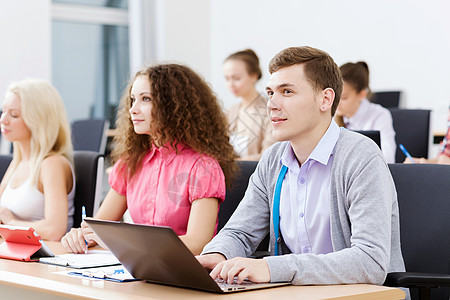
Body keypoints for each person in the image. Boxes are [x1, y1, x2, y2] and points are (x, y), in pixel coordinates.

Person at [197, 46, 406, 290]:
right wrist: (217, 255)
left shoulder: (361, 157)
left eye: (287, 91)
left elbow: (370, 261)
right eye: (270, 92)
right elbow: (240, 232)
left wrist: (272, 268)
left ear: (325, 100)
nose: (272, 104)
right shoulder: (273, 159)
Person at [62, 64, 237, 255]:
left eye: (145, 99)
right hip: (136, 270)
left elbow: (197, 242)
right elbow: (99, 227)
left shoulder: (203, 167)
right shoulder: (131, 161)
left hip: (181, 273)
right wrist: (79, 236)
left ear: (172, 105)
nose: (133, 110)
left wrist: (130, 245)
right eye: (132, 100)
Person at [0, 79, 75, 241]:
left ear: (38, 120)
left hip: (42, 260)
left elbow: (54, 229)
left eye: (14, 115)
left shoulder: (51, 163)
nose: (3, 120)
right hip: (15, 254)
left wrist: (11, 222)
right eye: (3, 111)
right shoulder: (18, 162)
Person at [334, 61, 396, 163]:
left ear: (362, 95)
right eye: (335, 96)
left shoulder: (380, 116)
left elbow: (388, 159)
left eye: (344, 98)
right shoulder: (331, 117)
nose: (337, 102)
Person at [223, 49, 276, 160]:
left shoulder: (272, 110)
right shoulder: (230, 112)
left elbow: (268, 157)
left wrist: (231, 162)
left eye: (236, 78)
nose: (231, 84)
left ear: (253, 76)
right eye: (227, 79)